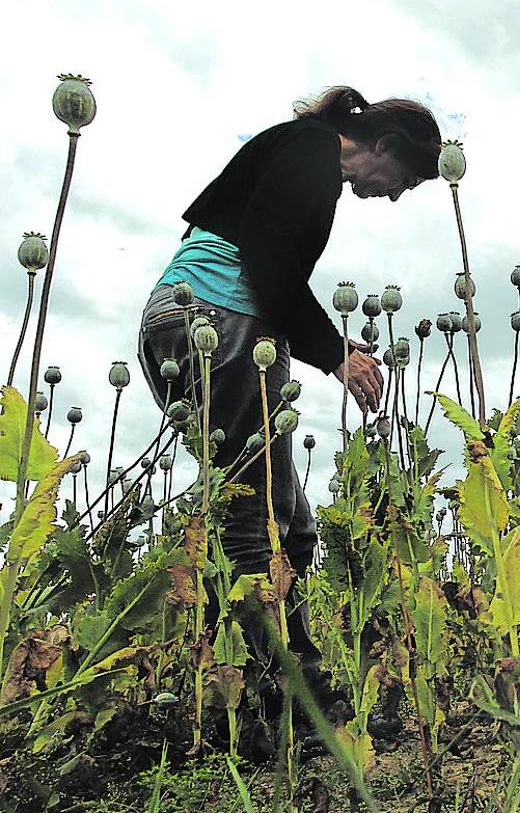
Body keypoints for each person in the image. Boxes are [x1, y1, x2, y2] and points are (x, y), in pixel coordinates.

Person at [135, 85, 441, 728]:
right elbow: (269, 259)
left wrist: (329, 345)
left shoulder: (297, 151)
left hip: (204, 320)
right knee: (256, 521)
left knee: (290, 524)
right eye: (402, 182)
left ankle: (279, 681)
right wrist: (336, 357)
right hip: (212, 321)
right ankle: (268, 697)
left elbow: (265, 259)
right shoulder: (312, 152)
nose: (390, 196)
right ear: (382, 147)